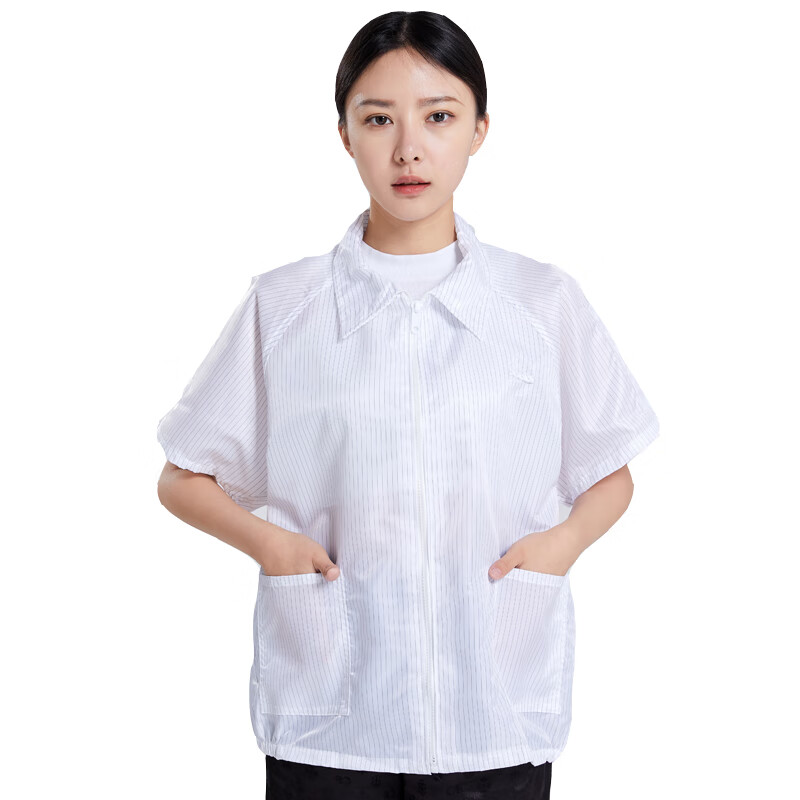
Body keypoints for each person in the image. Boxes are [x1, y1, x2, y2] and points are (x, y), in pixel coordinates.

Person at [156, 11, 660, 800]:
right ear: (344, 134)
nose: (408, 149)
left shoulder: (542, 301)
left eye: (439, 116)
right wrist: (273, 547)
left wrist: (563, 543)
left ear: (480, 129)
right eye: (378, 119)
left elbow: (610, 470)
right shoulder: (282, 307)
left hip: (494, 706)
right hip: (331, 718)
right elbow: (183, 476)